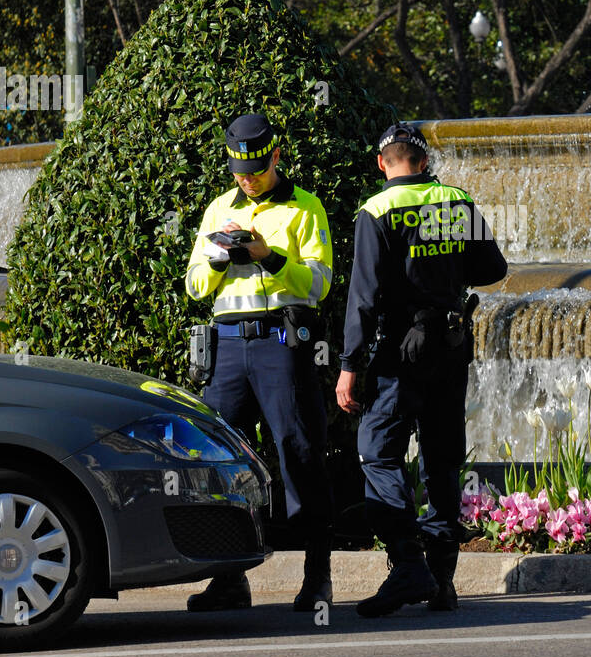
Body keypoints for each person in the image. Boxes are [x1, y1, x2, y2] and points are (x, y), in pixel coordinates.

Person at [335, 124, 507, 617]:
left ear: (382, 163)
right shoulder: (456, 199)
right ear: (424, 160)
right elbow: (493, 269)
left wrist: (349, 366)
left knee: (376, 453)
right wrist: (447, 272)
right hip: (452, 346)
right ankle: (443, 581)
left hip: (400, 352)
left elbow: (363, 299)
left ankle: (409, 565)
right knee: (442, 462)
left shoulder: (376, 210)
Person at [183, 113, 335, 612]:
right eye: (238, 171)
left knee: (301, 454)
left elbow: (319, 285)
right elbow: (193, 288)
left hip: (280, 343)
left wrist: (269, 256)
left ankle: (318, 578)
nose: (246, 179)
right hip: (226, 346)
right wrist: (218, 259)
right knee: (217, 459)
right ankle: (229, 579)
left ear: (274, 156)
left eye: (255, 169)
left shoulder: (304, 206)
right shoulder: (217, 210)